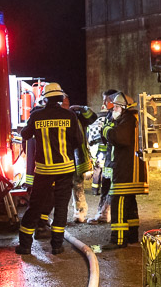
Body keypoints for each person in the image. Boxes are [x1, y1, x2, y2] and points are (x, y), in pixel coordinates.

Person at [15, 82, 90, 256]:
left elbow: (25, 134)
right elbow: (78, 140)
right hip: (65, 169)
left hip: (44, 170)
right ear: (60, 98)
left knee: (35, 206)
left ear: (45, 99)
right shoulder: (70, 116)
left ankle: (25, 245)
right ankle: (57, 246)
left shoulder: (37, 116)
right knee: (61, 207)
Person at [103, 91, 148, 247]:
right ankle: (131, 236)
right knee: (129, 204)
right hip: (127, 170)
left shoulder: (128, 120)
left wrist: (106, 129)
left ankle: (118, 240)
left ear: (124, 108)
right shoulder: (127, 119)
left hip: (126, 171)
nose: (113, 109)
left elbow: (120, 138)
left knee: (119, 202)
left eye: (116, 107)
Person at [63, 92, 98, 223]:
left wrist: (81, 108)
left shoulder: (76, 115)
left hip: (76, 157)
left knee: (77, 185)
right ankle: (61, 214)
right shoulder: (56, 116)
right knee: (62, 188)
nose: (65, 106)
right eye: (63, 103)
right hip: (62, 157)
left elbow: (92, 117)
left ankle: (80, 212)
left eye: (67, 103)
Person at [87, 88, 120, 224]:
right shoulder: (110, 115)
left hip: (113, 158)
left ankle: (104, 214)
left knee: (110, 187)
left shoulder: (116, 116)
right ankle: (103, 213)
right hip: (108, 158)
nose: (104, 103)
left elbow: (111, 135)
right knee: (106, 185)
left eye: (105, 100)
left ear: (112, 100)